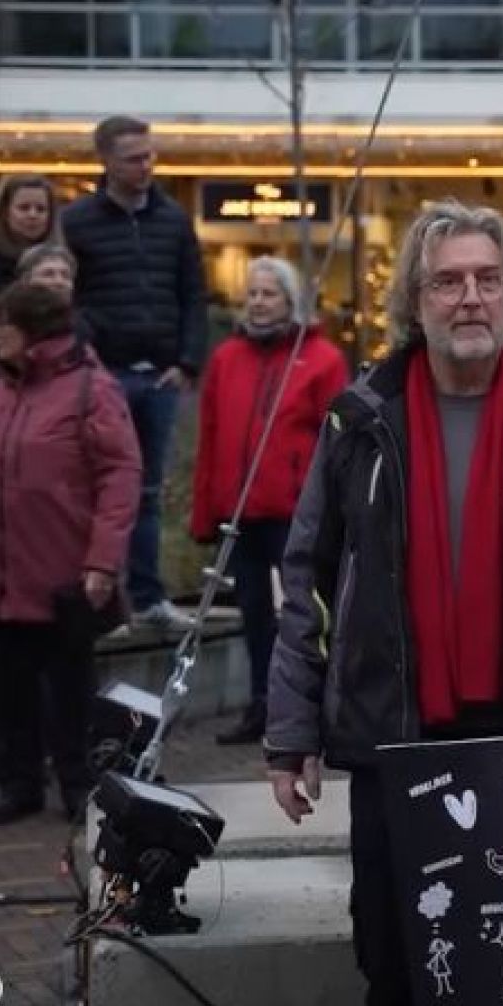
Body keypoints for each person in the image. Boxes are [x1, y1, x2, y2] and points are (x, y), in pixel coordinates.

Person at [263, 201, 503, 1006]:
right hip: (397, 736)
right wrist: (291, 730)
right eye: (449, 281)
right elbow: (310, 576)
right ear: (414, 301)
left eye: (489, 280)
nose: (471, 299)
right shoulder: (362, 418)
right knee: (395, 967)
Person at [0, 283, 139, 824]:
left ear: (32, 331)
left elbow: (120, 476)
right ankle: (20, 783)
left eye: (4, 324)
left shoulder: (90, 388)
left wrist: (102, 561)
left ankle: (78, 781)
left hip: (63, 573)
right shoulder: (4, 386)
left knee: (69, 687)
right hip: (5, 571)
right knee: (10, 686)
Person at [191, 257, 350, 745]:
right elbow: (210, 436)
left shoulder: (322, 359)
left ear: (290, 300)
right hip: (241, 514)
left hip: (295, 513)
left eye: (269, 294)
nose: (258, 303)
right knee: (254, 616)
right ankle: (262, 703)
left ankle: (317, 707)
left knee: (306, 616)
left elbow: (339, 443)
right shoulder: (226, 359)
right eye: (253, 294)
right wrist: (204, 513)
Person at [61, 115, 209, 632]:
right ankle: (105, 601)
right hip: (104, 376)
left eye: (149, 156)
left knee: (147, 490)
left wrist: (187, 362)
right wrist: (88, 361)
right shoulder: (77, 222)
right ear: (106, 161)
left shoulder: (173, 219)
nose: (145, 166)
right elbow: (70, 297)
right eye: (133, 158)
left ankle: (147, 597)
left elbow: (193, 292)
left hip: (160, 377)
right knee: (98, 488)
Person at [0, 174, 60, 290]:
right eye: (24, 208)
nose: (32, 215)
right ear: (4, 212)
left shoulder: (61, 262)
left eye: (41, 209)